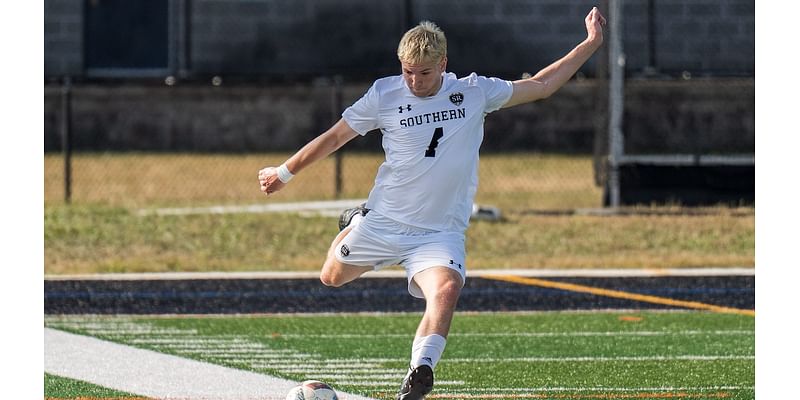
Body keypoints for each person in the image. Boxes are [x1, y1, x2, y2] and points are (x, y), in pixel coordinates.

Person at [259, 7, 606, 399]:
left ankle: (419, 373)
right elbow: (334, 137)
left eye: (424, 73)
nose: (415, 81)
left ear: (443, 63)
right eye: (408, 72)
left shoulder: (475, 91)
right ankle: (356, 219)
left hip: (439, 232)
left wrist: (590, 44)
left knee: (446, 289)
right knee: (331, 277)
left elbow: (542, 84)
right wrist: (284, 172)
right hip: (384, 221)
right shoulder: (384, 93)